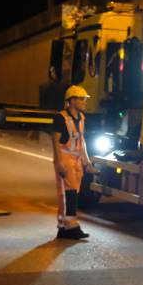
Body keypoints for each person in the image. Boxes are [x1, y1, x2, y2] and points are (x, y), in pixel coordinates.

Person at [52, 85, 96, 240]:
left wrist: (87, 162)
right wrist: (58, 163)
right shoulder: (61, 117)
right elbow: (56, 141)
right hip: (65, 159)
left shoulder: (81, 118)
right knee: (67, 195)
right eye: (81, 99)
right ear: (72, 100)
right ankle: (71, 227)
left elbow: (81, 141)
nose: (84, 102)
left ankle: (64, 228)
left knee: (73, 193)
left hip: (76, 161)